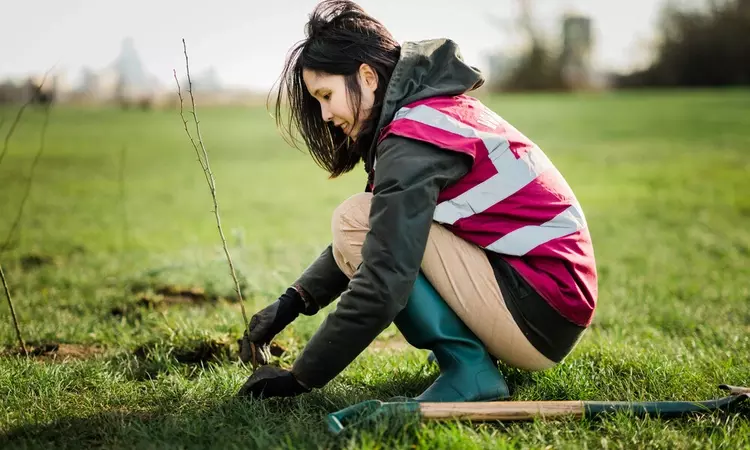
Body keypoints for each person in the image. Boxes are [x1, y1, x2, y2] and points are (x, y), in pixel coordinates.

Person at [237, 0, 598, 402]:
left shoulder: (414, 137)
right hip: (546, 304)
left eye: (326, 95)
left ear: (368, 76)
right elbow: (387, 232)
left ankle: (469, 368)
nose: (323, 114)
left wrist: (300, 378)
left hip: (539, 309)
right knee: (369, 219)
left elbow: (382, 276)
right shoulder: (430, 114)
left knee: (355, 217)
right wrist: (292, 303)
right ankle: (471, 353)